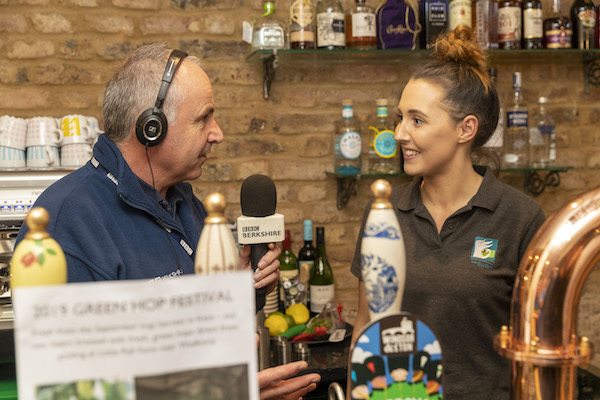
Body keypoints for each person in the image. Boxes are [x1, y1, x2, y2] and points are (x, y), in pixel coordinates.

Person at [15, 43, 320, 400]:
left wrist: (234, 291)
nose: (217, 133)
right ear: (151, 127)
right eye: (203, 118)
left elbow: (191, 340)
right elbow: (63, 389)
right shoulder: (67, 222)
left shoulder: (185, 203)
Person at [349, 26, 546, 399]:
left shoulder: (521, 218)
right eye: (400, 117)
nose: (399, 134)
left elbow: (535, 347)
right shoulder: (384, 212)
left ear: (465, 129)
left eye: (417, 120)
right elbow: (365, 327)